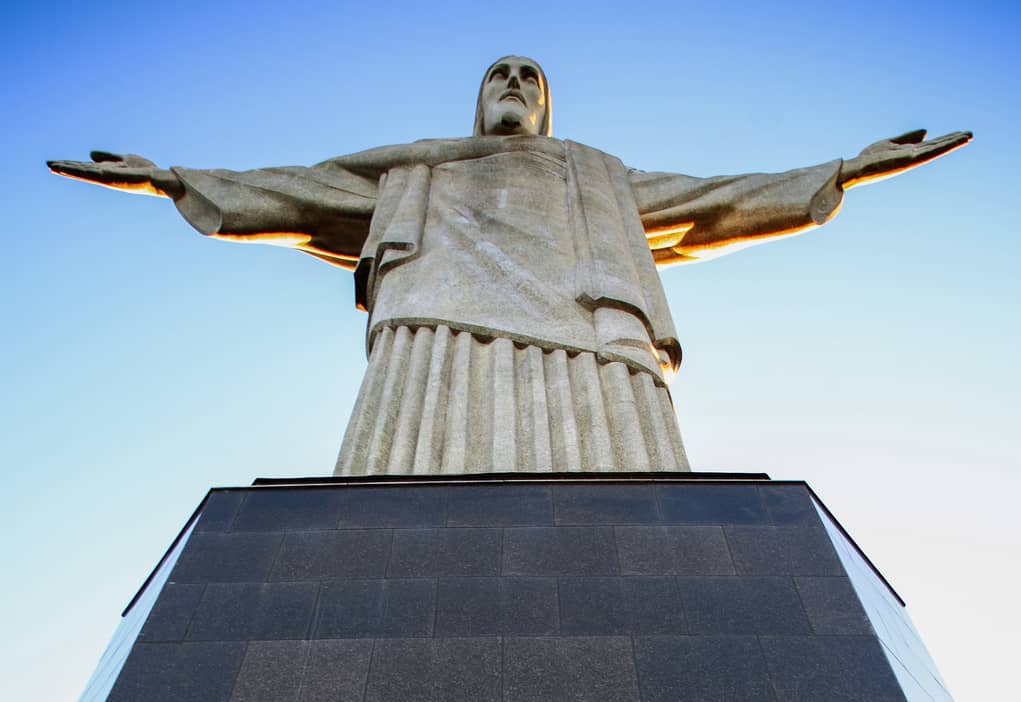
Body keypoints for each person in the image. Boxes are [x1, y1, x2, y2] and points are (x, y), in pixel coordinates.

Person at [49, 59, 969, 476]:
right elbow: (304, 188)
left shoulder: (597, 176)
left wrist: (838, 170)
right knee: (405, 461)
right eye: (500, 77)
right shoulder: (420, 163)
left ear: (546, 105)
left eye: (530, 79)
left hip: (587, 324)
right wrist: (175, 178)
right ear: (478, 98)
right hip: (433, 322)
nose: (515, 88)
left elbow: (714, 197)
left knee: (619, 467)